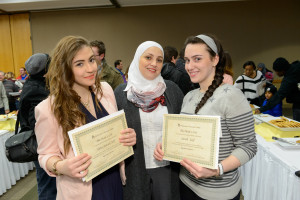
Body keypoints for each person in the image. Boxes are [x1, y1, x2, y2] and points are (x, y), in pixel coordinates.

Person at [154, 34, 257, 200]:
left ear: (215, 60)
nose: (189, 66)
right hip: (186, 184)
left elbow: (248, 146)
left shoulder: (232, 96)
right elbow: (186, 138)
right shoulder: (189, 96)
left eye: (197, 59)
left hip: (218, 193)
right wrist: (168, 147)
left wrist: (217, 169)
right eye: (187, 60)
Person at [35, 35, 136, 200]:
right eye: (79, 64)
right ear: (64, 68)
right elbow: (45, 155)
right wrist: (61, 166)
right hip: (83, 191)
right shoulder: (48, 109)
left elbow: (113, 132)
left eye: (91, 60)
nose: (90, 68)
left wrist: (127, 137)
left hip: (114, 182)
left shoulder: (105, 90)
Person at [114, 41, 183, 200]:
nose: (154, 63)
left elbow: (183, 128)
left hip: (166, 169)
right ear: (138, 58)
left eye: (159, 60)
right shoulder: (121, 94)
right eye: (148, 57)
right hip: (134, 170)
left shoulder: (172, 90)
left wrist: (172, 145)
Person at [19, 53, 57, 199]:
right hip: (43, 145)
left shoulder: (34, 84)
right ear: (46, 70)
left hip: (43, 144)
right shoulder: (37, 90)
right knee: (48, 186)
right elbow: (39, 124)